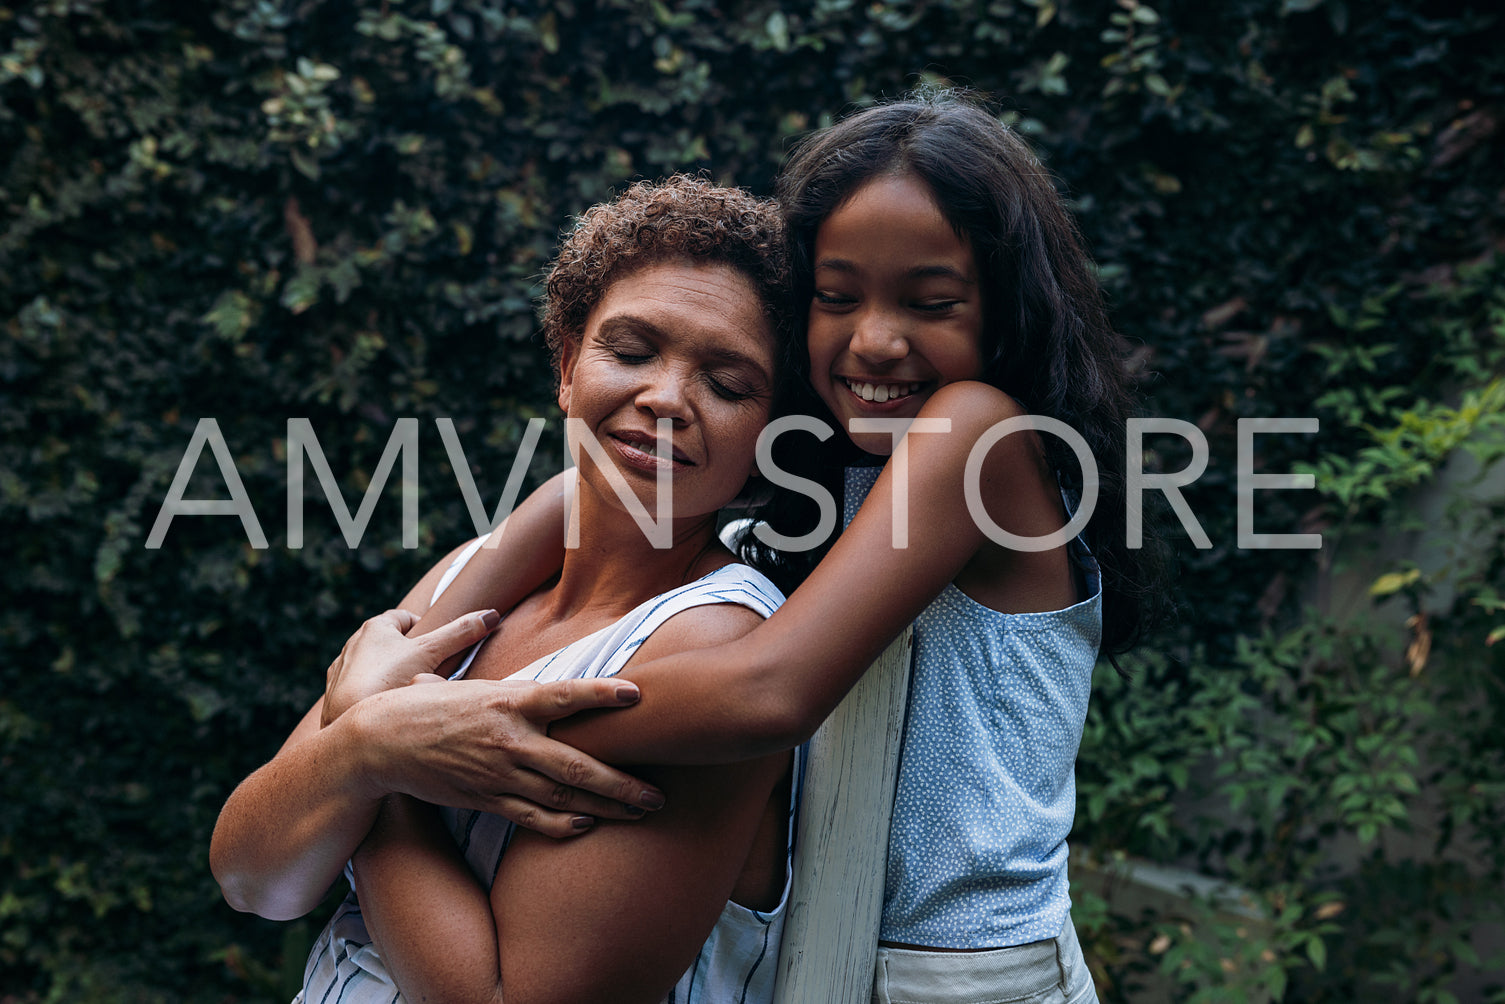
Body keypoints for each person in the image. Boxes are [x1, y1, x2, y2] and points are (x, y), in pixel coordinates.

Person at [225, 89, 1163, 1003]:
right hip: (830, 955)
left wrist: (416, 731)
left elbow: (768, 693)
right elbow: (577, 494)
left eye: (931, 303)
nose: (875, 340)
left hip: (960, 974)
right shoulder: (821, 460)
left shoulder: (973, 431)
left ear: (1005, 310)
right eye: (836, 297)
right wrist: (372, 730)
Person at [212, 176, 807, 1004]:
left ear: (773, 435)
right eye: (630, 352)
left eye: (728, 384)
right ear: (567, 367)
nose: (665, 398)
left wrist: (375, 753)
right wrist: (366, 750)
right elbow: (253, 878)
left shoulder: (707, 642)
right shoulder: (471, 575)